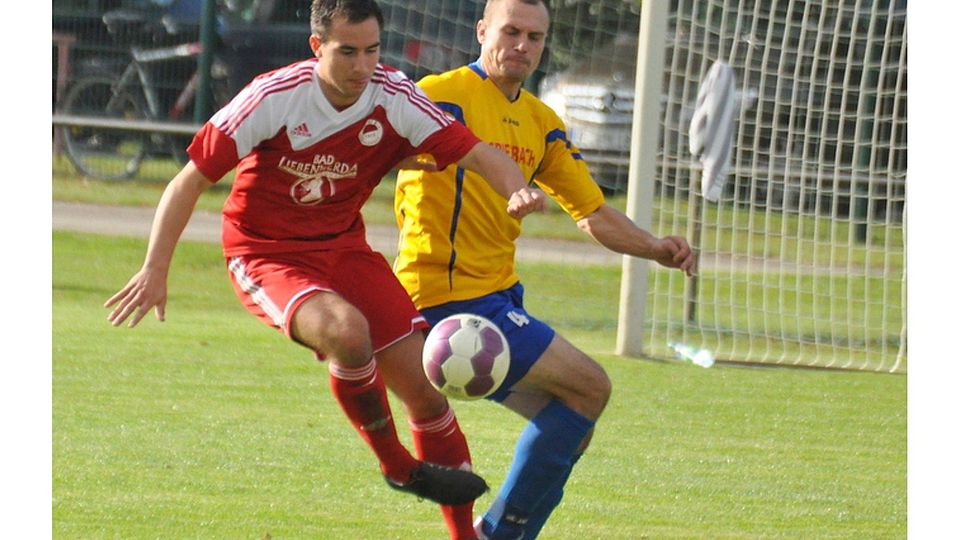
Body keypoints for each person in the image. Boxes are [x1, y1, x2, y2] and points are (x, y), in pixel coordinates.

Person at [103, 1, 546, 538]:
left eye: (373, 51)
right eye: (348, 52)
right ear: (318, 48)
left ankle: (462, 536)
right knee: (345, 331)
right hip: (265, 253)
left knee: (427, 390)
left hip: (342, 250)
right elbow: (188, 181)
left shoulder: (394, 95)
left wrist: (516, 187)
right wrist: (155, 268)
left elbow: (478, 153)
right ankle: (396, 465)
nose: (363, 66)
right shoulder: (276, 95)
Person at [393, 1, 696, 538]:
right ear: (482, 30)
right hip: (445, 296)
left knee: (574, 419)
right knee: (590, 387)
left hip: (500, 297)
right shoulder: (440, 95)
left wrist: (654, 247)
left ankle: (502, 532)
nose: (522, 45)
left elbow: (593, 212)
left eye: (535, 36)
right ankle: (499, 534)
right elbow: (383, 151)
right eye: (511, 31)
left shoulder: (542, 122)